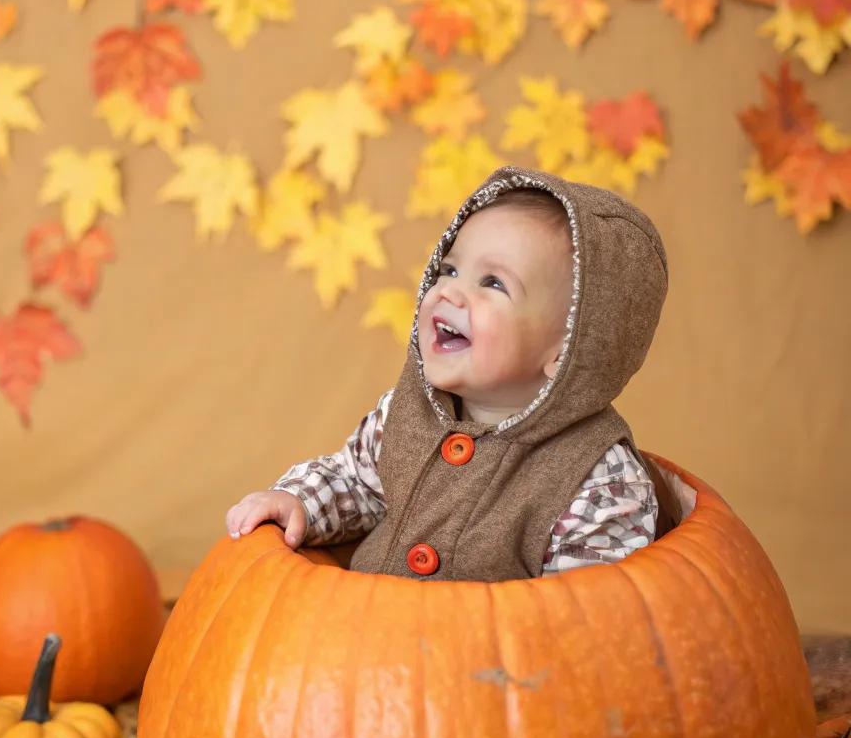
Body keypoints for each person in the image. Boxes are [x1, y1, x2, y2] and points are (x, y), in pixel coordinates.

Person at [225, 164, 678, 581]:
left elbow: (584, 612)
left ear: (569, 350)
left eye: (493, 283)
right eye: (450, 269)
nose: (451, 294)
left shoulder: (599, 480)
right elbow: (354, 483)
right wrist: (298, 501)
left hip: (493, 663)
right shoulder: (405, 414)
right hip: (362, 643)